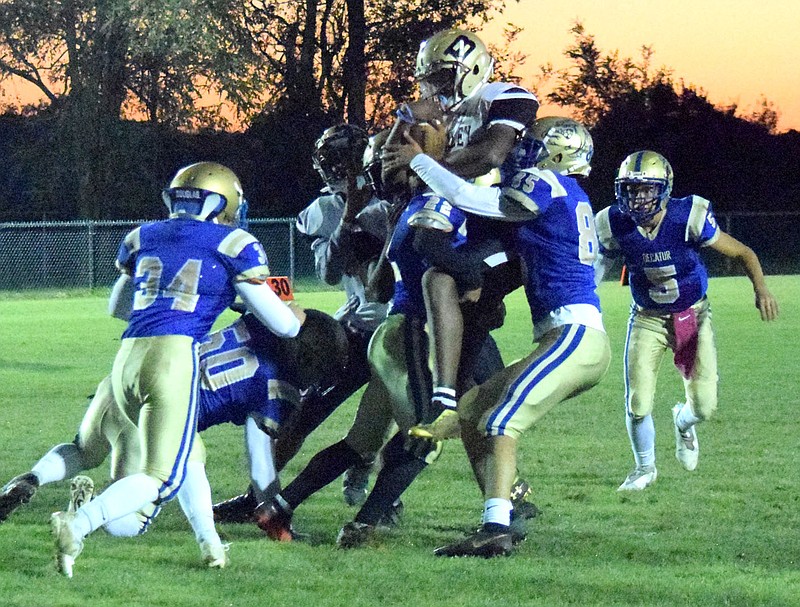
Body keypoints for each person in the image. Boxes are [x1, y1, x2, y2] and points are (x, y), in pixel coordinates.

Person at [49, 161, 305, 577]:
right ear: (224, 200)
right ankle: (78, 526)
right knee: (161, 478)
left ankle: (210, 544)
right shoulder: (232, 242)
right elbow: (285, 326)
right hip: (174, 357)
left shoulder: (144, 236)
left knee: (189, 456)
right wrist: (248, 302)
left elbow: (117, 307)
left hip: (127, 357)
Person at [383, 116, 610, 557]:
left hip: (575, 334)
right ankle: (502, 510)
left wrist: (424, 163)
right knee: (472, 409)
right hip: (563, 335)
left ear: (557, 154)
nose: (522, 151)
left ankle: (496, 527)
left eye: (534, 145)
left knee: (499, 420)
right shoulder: (567, 195)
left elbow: (472, 197)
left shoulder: (548, 182)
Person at [0, 310, 347, 567]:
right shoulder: (277, 391)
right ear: (308, 359)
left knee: (82, 449)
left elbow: (263, 305)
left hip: (128, 380)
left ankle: (34, 476)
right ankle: (85, 520)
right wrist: (274, 511)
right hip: (158, 415)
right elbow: (260, 463)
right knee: (146, 504)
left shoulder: (254, 325)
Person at [212, 125, 391, 519]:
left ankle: (389, 496)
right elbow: (328, 272)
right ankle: (258, 494)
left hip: (406, 326)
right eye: (334, 162)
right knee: (299, 413)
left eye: (346, 160)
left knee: (407, 420)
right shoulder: (324, 210)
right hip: (358, 328)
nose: (341, 170)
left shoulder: (395, 193)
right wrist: (349, 217)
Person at [593, 150, 779, 491]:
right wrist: (586, 296)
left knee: (704, 408)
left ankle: (683, 421)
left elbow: (742, 252)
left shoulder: (688, 216)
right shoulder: (612, 221)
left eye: (647, 189)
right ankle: (644, 468)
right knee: (638, 401)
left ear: (664, 189)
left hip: (692, 316)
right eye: (631, 190)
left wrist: (761, 289)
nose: (638, 198)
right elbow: (598, 262)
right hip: (647, 317)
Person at [392, 28, 538, 438]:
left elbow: (489, 155)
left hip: (500, 216)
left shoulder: (506, 97)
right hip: (465, 219)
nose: (435, 88)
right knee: (423, 265)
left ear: (470, 70)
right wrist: (405, 117)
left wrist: (432, 161)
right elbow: (394, 174)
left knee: (430, 251)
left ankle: (477, 292)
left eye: (442, 77)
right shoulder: (436, 113)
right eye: (430, 78)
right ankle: (447, 398)